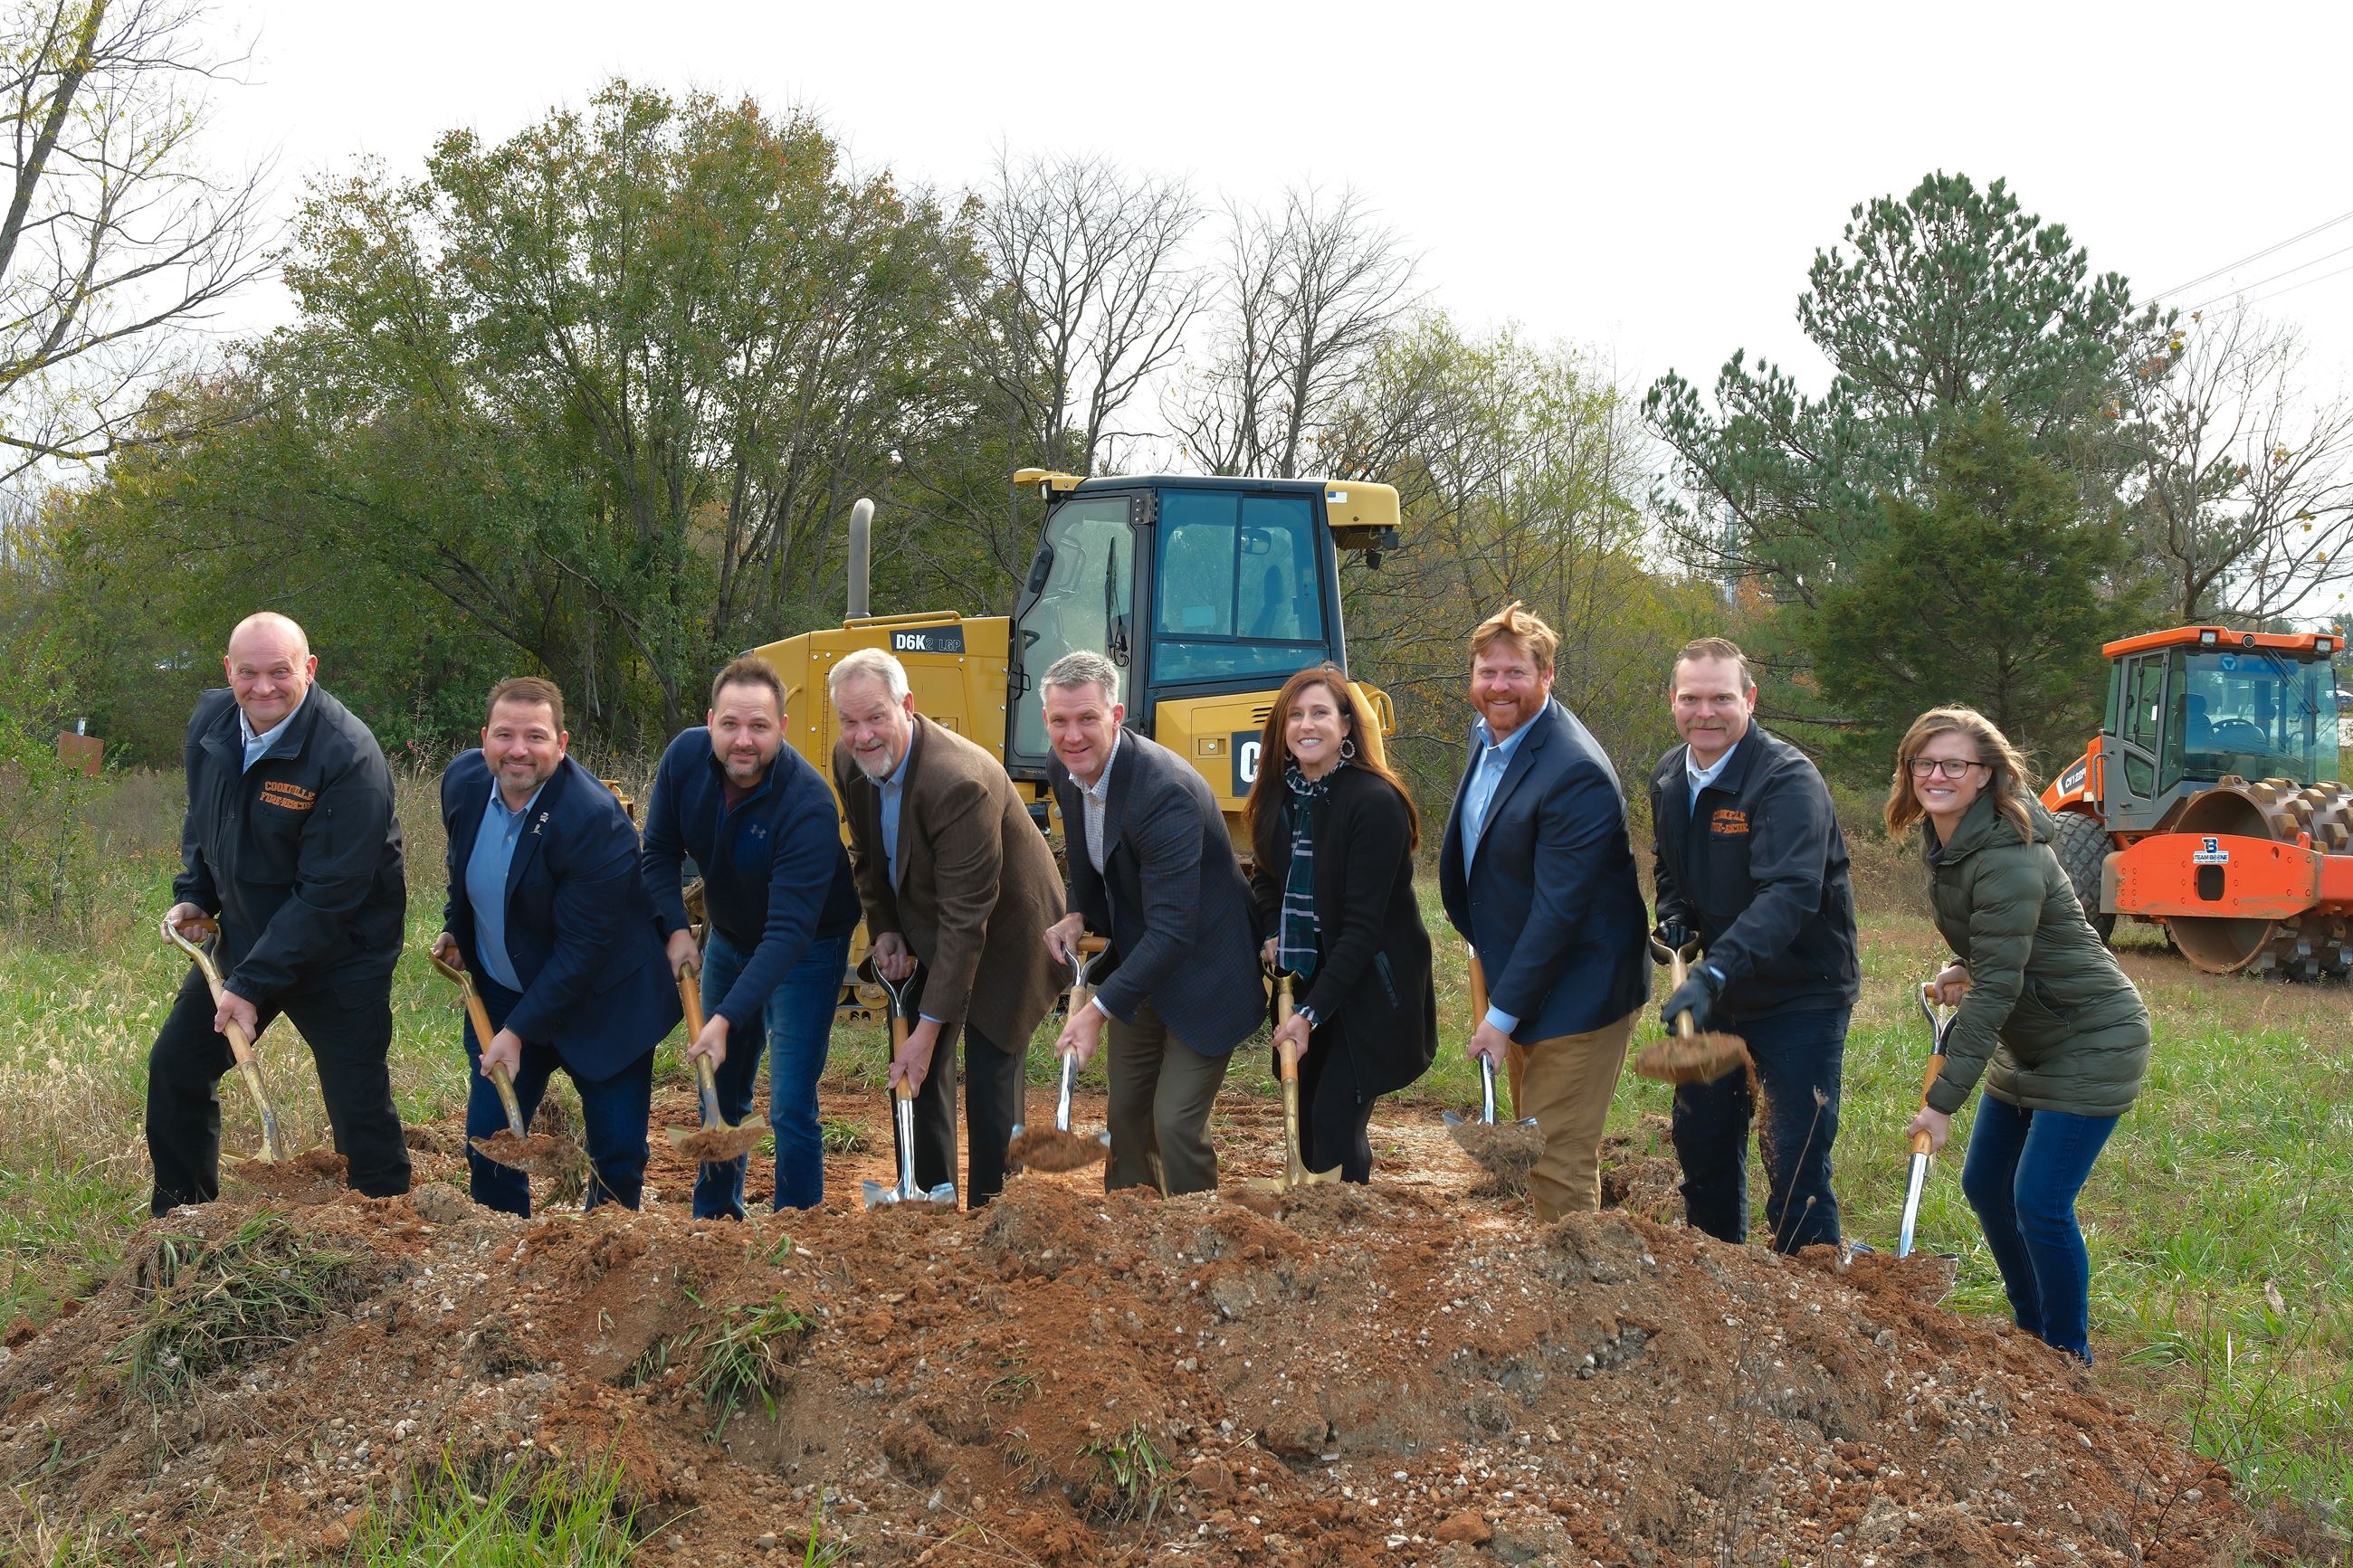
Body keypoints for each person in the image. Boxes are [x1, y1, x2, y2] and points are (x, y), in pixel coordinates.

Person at [1891, 706, 2151, 1364]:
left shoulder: (2006, 853)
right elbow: (2006, 948)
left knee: (2040, 1201)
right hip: (2035, 1035)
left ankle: (2066, 1350)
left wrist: (1941, 1102)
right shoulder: (1957, 841)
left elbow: (2001, 988)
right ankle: (2032, 1329)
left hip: (2093, 1035)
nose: (1937, 774)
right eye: (1925, 761)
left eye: (1955, 763)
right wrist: (1967, 964)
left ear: (1985, 775)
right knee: (1985, 1184)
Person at [152, 612, 410, 1212]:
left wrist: (249, 984)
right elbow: (204, 816)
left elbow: (329, 894)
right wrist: (195, 890)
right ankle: (183, 1223)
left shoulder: (348, 757)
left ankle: (388, 1236)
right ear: (228, 670)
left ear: (309, 670)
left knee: (357, 1105)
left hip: (341, 955)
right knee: (177, 1067)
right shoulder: (212, 721)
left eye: (280, 672)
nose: (262, 689)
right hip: (249, 936)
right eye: (248, 673)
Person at [430, 678, 680, 1215]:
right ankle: (502, 1253)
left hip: (604, 1002)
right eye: (505, 735)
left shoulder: (595, 820)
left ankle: (601, 1263)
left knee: (616, 1155)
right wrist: (457, 924)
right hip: (506, 988)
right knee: (491, 1143)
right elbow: (463, 870)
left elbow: (584, 950)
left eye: (536, 737)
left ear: (561, 746)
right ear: (485, 738)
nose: (518, 750)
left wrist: (518, 1032)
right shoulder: (464, 783)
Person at [828, 648, 1062, 1207]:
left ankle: (994, 1212)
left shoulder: (958, 781)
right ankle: (928, 1198)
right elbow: (867, 853)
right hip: (929, 920)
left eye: (876, 717)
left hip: (1008, 932)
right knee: (916, 1072)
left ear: (907, 707)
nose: (862, 736)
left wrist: (928, 1034)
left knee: (988, 1077)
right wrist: (886, 929)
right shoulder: (849, 762)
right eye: (850, 721)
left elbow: (967, 920)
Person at [1438, 601, 1648, 1221]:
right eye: (1487, 672)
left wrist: (1499, 1020)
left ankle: (1582, 1302)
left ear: (1547, 675)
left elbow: (1559, 911)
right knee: (1536, 1157)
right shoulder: (1492, 739)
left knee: (1557, 1163)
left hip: (1580, 992)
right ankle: (1551, 1282)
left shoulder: (1573, 770)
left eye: (1515, 673)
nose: (1498, 686)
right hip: (1527, 981)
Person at [1649, 637, 1860, 1252]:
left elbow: (1790, 894)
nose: (1704, 712)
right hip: (1721, 990)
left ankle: (1813, 1301)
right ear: (1673, 700)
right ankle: (1715, 1288)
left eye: (1721, 698)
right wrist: (1674, 911)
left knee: (1794, 1156)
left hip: (1801, 993)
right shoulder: (1669, 776)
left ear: (1750, 699)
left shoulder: (1786, 780)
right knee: (1703, 1145)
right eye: (1691, 698)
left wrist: (1714, 975)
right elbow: (1669, 863)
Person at [1041, 651, 1264, 1196]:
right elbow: (1091, 856)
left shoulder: (1164, 794)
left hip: (1206, 975)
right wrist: (1077, 912)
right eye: (1059, 721)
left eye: (1087, 719)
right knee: (1126, 1122)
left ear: (1116, 718)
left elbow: (1174, 931)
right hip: (1143, 968)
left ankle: (1196, 1243)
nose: (1073, 736)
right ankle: (1130, 1241)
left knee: (1176, 1125)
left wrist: (1096, 1009)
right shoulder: (1066, 770)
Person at [642, 656, 859, 1217]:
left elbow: (787, 935)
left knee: (788, 1102)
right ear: (710, 721)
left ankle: (798, 1229)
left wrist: (722, 1019)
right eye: (731, 725)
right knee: (721, 1086)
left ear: (782, 729)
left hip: (807, 947)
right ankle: (713, 1221)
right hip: (732, 935)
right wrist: (674, 929)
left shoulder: (806, 803)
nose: (744, 741)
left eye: (759, 727)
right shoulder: (684, 761)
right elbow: (659, 853)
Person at [1244, 664, 1436, 1182]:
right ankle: (1312, 1227)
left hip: (1369, 986)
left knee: (1334, 1122)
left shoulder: (1374, 803)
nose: (1307, 725)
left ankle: (1350, 1239)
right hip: (1306, 973)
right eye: (1296, 715)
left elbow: (1362, 929)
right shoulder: (1278, 798)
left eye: (1321, 714)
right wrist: (1271, 929)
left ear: (1347, 726)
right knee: (1303, 1116)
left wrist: (1308, 1016)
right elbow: (1265, 875)